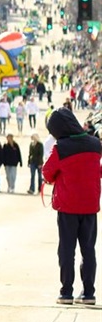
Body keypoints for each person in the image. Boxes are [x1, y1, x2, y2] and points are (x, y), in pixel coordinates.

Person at [42, 107, 100, 305]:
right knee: (88, 250)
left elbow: (47, 173)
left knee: (67, 250)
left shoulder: (61, 148)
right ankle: (89, 293)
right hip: (90, 205)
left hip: (67, 207)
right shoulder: (95, 144)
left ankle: (66, 292)